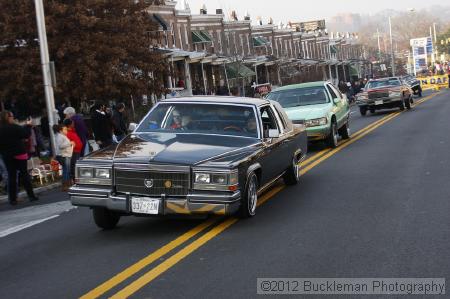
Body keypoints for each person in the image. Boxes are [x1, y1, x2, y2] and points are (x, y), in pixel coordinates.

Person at [0, 111, 39, 205]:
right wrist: (29, 126)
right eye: (12, 116)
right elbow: (25, 134)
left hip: (6, 155)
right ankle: (31, 196)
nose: (13, 118)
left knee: (11, 176)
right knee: (24, 174)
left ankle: (12, 199)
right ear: (8, 117)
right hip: (19, 153)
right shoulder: (14, 127)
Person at [53, 124, 74, 191]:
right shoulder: (60, 136)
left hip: (66, 155)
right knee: (66, 170)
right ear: (60, 130)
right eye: (64, 129)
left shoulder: (61, 136)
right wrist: (70, 143)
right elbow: (60, 146)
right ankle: (65, 185)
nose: (66, 130)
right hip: (64, 155)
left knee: (66, 170)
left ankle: (67, 184)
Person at [63, 119, 83, 183]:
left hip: (77, 150)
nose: (73, 124)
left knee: (76, 165)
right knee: (74, 165)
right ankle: (74, 179)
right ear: (69, 124)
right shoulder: (67, 132)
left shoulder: (72, 131)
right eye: (72, 123)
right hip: (74, 151)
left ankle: (76, 178)